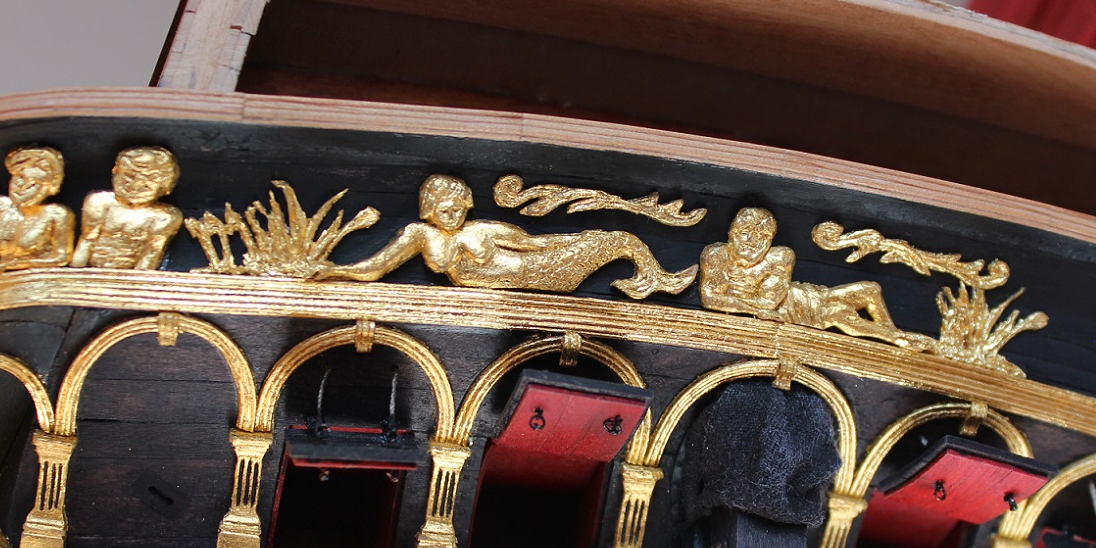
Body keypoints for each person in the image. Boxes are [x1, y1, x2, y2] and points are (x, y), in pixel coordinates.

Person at [320, 174, 695, 299]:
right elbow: (377, 266)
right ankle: (653, 278)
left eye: (459, 207)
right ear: (429, 210)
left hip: (545, 270)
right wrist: (332, 270)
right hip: (529, 282)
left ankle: (657, 279)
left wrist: (577, 240)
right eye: (445, 209)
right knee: (617, 241)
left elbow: (534, 243)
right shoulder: (420, 235)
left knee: (618, 239)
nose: (453, 215)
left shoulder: (482, 228)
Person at [699, 207, 931, 348]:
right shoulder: (716, 254)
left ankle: (890, 342)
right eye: (744, 233)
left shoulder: (780, 256)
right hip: (792, 314)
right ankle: (897, 338)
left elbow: (769, 301)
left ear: (770, 240)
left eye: (762, 237)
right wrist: (755, 309)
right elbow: (709, 299)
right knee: (840, 314)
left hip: (804, 298)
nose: (751, 241)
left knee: (871, 289)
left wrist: (741, 304)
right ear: (731, 233)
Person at [0, 146, 75, 279]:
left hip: (41, 279)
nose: (22, 187)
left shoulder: (56, 214)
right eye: (19, 177)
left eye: (34, 183)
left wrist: (13, 266)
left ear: (48, 189)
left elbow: (61, 258)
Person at [70, 147, 183, 270]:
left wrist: (137, 280)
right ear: (115, 172)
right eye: (129, 176)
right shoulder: (100, 202)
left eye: (149, 179)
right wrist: (74, 273)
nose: (136, 185)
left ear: (165, 184)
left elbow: (151, 254)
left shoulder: (164, 217)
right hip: (91, 270)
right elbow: (87, 241)